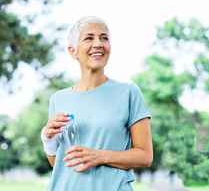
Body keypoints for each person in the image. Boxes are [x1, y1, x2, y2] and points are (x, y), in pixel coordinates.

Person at [41, 16, 153, 191]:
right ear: (72, 50)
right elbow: (62, 165)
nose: (98, 43)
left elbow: (145, 156)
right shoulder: (58, 99)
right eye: (89, 38)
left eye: (104, 38)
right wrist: (48, 142)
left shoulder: (129, 92)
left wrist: (99, 156)